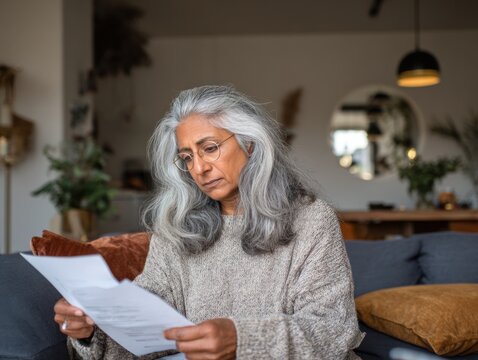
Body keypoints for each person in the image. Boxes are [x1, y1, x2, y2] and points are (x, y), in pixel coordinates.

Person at [54, 85, 364, 359]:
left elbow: (333, 329)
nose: (199, 168)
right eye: (187, 157)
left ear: (250, 143)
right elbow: (151, 330)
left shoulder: (311, 219)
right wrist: (92, 329)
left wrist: (241, 340)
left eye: (210, 148)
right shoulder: (176, 227)